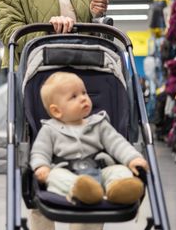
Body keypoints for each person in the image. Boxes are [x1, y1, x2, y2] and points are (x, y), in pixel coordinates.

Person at [0, 0, 109, 230]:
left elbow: (82, 28)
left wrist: (94, 14)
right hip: (41, 86)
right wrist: (47, 26)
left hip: (80, 83)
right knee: (44, 166)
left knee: (88, 162)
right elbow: (9, 31)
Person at [31, 72, 148, 208]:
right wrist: (41, 166)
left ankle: (117, 190)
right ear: (57, 111)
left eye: (84, 93)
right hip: (67, 173)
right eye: (74, 96)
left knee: (121, 171)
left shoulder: (98, 123)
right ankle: (82, 191)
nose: (83, 98)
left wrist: (132, 158)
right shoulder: (49, 129)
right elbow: (40, 151)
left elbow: (118, 143)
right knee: (54, 176)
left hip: (100, 170)